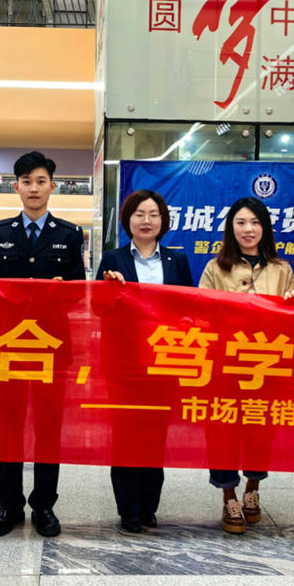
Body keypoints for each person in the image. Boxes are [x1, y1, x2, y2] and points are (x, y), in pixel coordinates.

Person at [0, 151, 85, 538]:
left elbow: (79, 291)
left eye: (41, 181)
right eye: (27, 182)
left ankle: (44, 505)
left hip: (50, 348)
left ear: (52, 186)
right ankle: (8, 505)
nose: (34, 189)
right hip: (7, 347)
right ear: (16, 187)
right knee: (9, 428)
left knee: (47, 429)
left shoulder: (69, 235)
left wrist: (63, 292)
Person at [199, 197, 294, 534]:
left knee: (260, 429)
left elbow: (293, 318)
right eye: (241, 222)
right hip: (225, 364)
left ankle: (253, 489)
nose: (248, 229)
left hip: (267, 363)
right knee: (223, 429)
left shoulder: (282, 269)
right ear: (231, 228)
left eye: (255, 222)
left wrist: (292, 303)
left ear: (265, 228)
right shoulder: (215, 268)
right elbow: (202, 313)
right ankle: (228, 495)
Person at [96, 189, 193, 534]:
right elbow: (96, 308)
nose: (146, 221)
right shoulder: (113, 258)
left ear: (163, 221)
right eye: (139, 214)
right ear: (128, 220)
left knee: (155, 436)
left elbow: (190, 309)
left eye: (153, 214)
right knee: (125, 437)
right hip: (124, 365)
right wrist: (109, 290)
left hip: (164, 363)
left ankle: (149, 507)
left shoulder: (177, 261)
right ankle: (128, 511)